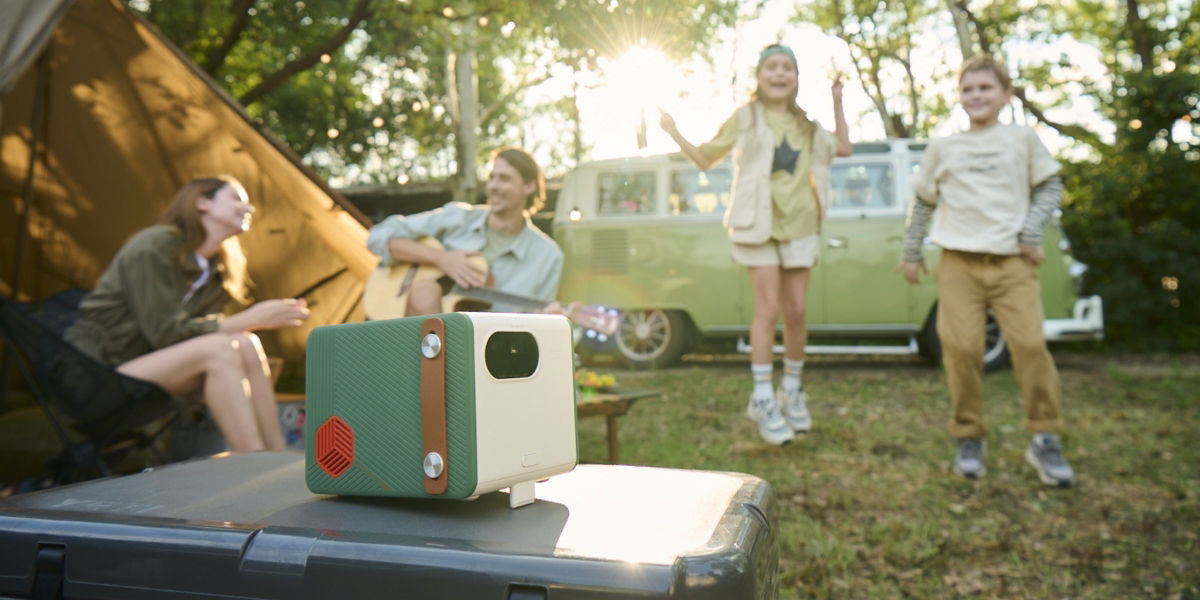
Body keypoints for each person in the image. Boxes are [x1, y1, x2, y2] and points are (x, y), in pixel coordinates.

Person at [659, 43, 852, 445]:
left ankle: (792, 389)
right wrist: (674, 130)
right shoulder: (746, 118)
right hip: (757, 224)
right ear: (759, 76)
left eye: (787, 68)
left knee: (796, 311)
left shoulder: (809, 127)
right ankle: (763, 396)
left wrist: (837, 101)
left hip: (799, 224)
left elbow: (844, 148)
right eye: (771, 67)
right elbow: (705, 157)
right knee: (767, 308)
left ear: (797, 79)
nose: (779, 74)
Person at [898, 55, 1075, 487]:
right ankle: (969, 434)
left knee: (1031, 346)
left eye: (985, 88)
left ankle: (1045, 438)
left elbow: (1051, 185)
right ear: (960, 97)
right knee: (961, 350)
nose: (976, 96)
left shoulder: (1022, 140)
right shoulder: (944, 147)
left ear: (1005, 94)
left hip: (1013, 263)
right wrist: (911, 250)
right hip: (958, 262)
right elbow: (922, 201)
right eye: (968, 89)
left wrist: (1031, 232)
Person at [64, 176, 310, 452]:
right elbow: (166, 333)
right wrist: (253, 318)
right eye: (237, 199)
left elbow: (195, 336)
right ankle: (252, 460)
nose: (248, 208)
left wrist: (248, 326)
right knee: (222, 348)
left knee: (246, 342)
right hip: (97, 375)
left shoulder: (220, 271)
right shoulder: (154, 245)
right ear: (202, 203)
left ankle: (276, 455)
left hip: (153, 371)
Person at [366, 146, 565, 316]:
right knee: (425, 291)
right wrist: (440, 258)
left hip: (488, 349)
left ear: (529, 186)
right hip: (412, 336)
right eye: (491, 177)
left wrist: (551, 319)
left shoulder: (548, 256)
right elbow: (378, 235)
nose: (493, 186)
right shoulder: (458, 218)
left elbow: (536, 329)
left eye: (504, 179)